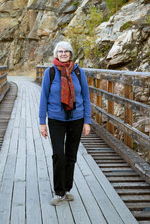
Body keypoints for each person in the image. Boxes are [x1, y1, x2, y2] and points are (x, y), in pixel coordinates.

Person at [39, 41, 91, 206]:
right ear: (56, 54)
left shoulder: (78, 72)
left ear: (70, 54)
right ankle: (58, 191)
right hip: (56, 119)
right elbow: (43, 98)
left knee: (71, 156)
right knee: (58, 155)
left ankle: (67, 189)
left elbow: (86, 97)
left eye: (66, 51)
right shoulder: (50, 73)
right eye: (60, 51)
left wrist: (87, 121)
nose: (63, 54)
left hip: (77, 118)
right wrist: (42, 122)